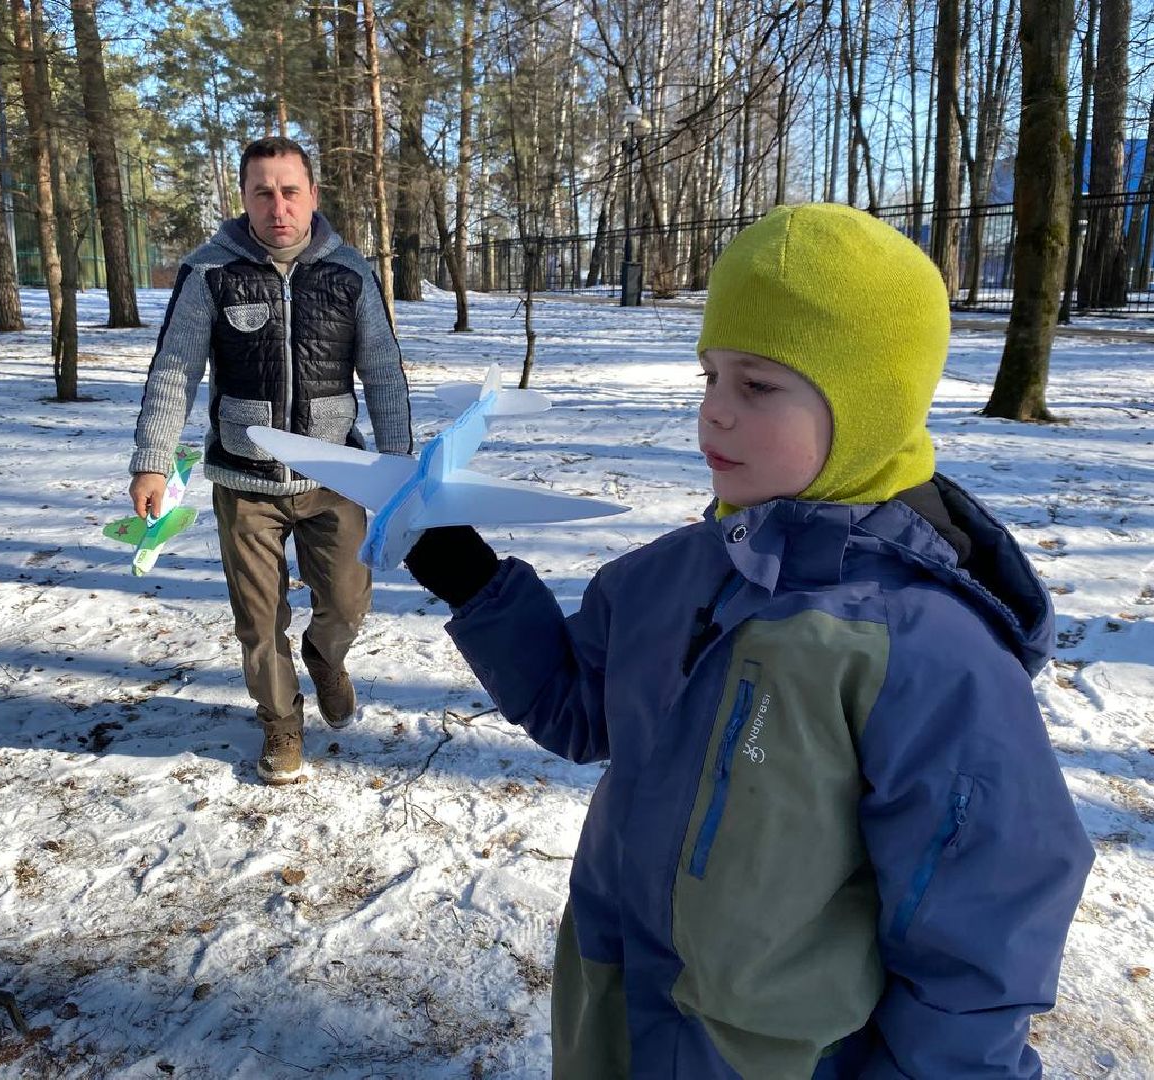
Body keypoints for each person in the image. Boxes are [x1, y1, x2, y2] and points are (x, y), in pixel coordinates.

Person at [402, 204, 1093, 1077]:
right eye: (710, 377)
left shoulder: (923, 649)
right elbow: (577, 706)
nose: (713, 414)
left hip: (776, 1056)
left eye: (758, 386)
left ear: (868, 406)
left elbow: (984, 914)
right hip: (615, 1010)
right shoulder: (672, 575)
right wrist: (476, 584)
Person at [129, 136, 411, 786]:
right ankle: (281, 721)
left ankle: (326, 657)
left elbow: (383, 372)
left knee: (348, 604)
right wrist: (151, 460)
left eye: (289, 191)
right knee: (258, 621)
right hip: (244, 480)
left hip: (334, 474)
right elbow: (175, 370)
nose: (277, 206)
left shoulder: (350, 273)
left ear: (313, 195)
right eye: (263, 192)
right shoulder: (210, 272)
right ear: (244, 198)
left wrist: (399, 465)